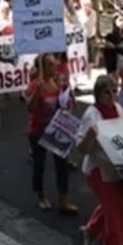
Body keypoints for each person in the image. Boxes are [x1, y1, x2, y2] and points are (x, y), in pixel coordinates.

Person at [76, 75, 123, 245]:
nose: (111, 96)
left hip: (118, 169)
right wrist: (90, 136)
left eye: (114, 91)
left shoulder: (119, 110)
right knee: (116, 215)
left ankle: (91, 231)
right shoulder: (92, 115)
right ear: (97, 94)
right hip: (99, 170)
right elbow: (81, 149)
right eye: (106, 92)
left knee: (114, 207)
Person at [25, 54, 77, 213]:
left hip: (56, 130)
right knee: (39, 164)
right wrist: (37, 92)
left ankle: (63, 200)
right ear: (42, 67)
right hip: (38, 131)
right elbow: (30, 108)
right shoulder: (35, 85)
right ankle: (40, 195)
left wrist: (69, 93)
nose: (54, 68)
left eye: (54, 64)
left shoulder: (57, 83)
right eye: (49, 65)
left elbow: (68, 104)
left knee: (62, 164)